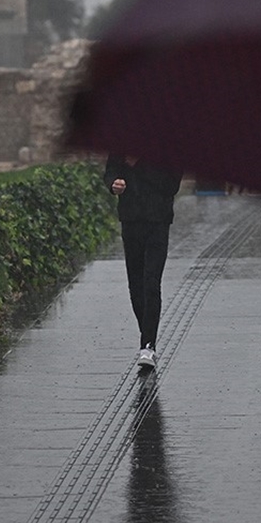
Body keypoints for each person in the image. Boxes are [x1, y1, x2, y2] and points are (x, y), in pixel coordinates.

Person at [104, 155, 183, 370]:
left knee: (151, 282)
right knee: (136, 286)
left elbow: (170, 186)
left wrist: (138, 165)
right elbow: (111, 170)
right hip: (130, 219)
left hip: (158, 220)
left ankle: (148, 345)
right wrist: (114, 184)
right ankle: (147, 334)